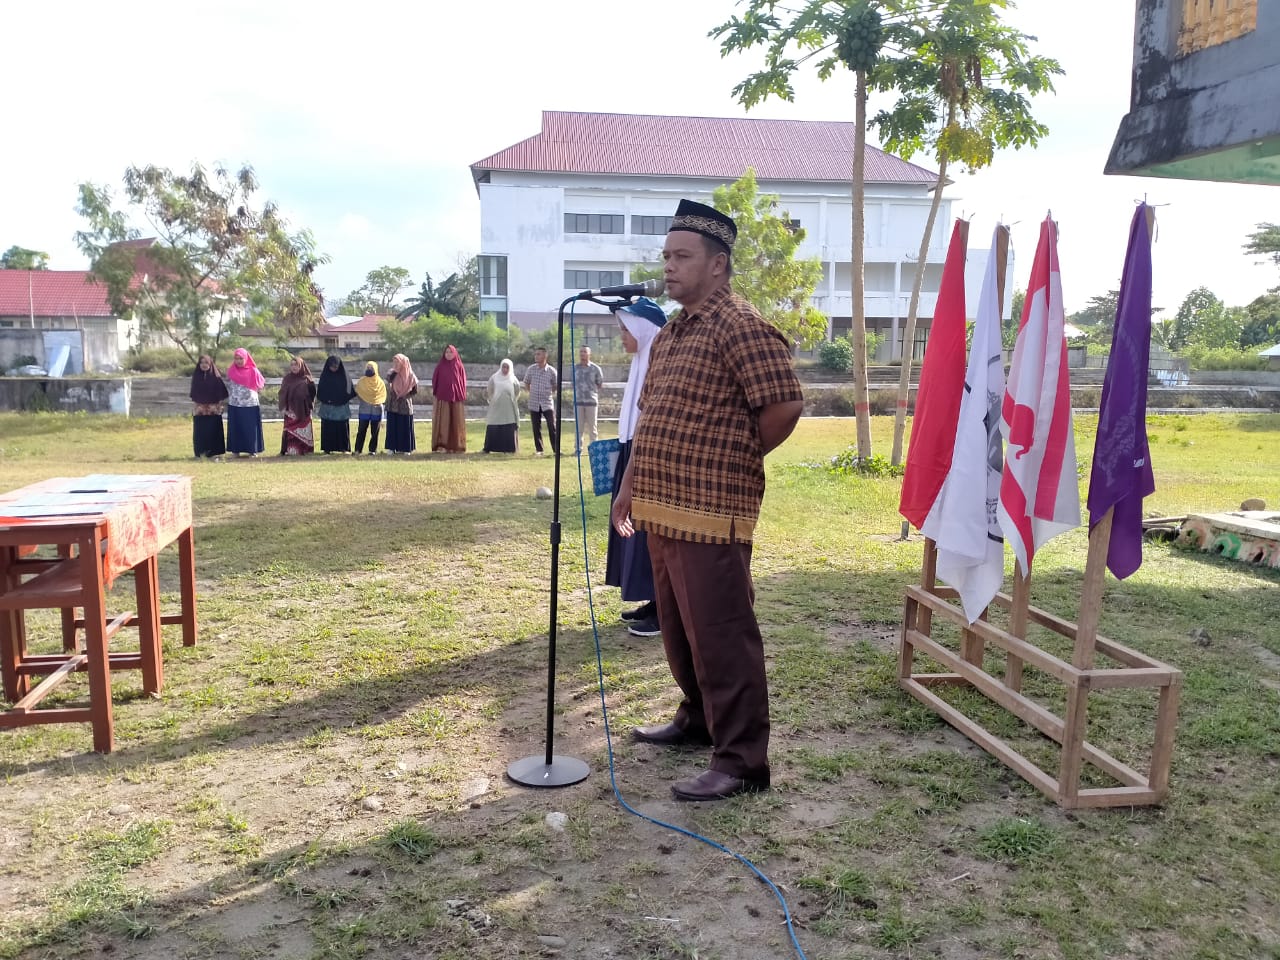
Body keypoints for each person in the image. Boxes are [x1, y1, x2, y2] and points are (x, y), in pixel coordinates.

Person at [611, 199, 804, 802]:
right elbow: (652, 416)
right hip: (661, 507)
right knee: (676, 626)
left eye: (682, 256)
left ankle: (743, 759)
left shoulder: (742, 326)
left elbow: (784, 405)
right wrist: (628, 486)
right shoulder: (670, 333)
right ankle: (697, 718)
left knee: (721, 631)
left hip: (711, 511)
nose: (669, 266)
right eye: (666, 255)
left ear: (718, 265)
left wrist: (732, 462)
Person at [604, 299, 666, 638]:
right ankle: (652, 601)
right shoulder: (640, 362)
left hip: (650, 457)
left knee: (649, 535)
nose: (622, 338)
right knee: (633, 532)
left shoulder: (660, 361)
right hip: (632, 450)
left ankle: (663, 609)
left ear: (643, 330)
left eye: (625, 330)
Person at [226, 347, 266, 457]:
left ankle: (252, 450)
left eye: (241, 358)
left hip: (250, 404)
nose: (238, 361)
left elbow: (261, 385)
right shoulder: (231, 370)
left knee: (250, 427)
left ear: (246, 358)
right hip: (235, 404)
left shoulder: (253, 370)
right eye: (236, 358)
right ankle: (235, 450)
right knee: (236, 427)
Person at [189, 354, 228, 459]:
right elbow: (194, 393)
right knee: (200, 431)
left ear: (210, 364)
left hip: (213, 408)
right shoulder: (196, 376)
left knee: (213, 430)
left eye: (206, 362)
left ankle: (215, 453)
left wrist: (219, 404)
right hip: (200, 409)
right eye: (202, 363)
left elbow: (221, 392)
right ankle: (200, 453)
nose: (204, 365)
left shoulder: (216, 377)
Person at [430, 344, 468, 453]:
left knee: (456, 422)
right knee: (443, 422)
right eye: (446, 352)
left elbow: (462, 382)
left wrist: (458, 392)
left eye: (450, 352)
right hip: (443, 398)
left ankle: (456, 445)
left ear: (455, 353)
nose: (448, 354)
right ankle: (442, 445)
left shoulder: (459, 366)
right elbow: (435, 380)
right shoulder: (440, 366)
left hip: (456, 399)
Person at [521, 346, 558, 456]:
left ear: (545, 356)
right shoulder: (531, 369)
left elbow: (555, 384)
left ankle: (556, 450)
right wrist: (531, 392)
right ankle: (539, 450)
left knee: (552, 426)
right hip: (534, 403)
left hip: (547, 403)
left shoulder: (551, 371)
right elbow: (526, 382)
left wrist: (549, 392)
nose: (536, 356)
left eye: (538, 354)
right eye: (535, 354)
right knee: (536, 427)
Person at [316, 355, 355, 454]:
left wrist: (341, 399)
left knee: (342, 428)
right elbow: (320, 391)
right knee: (328, 427)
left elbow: (350, 390)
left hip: (341, 408)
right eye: (331, 366)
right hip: (327, 407)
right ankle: (327, 448)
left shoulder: (344, 376)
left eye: (335, 367)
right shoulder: (325, 376)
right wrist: (328, 399)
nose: (333, 368)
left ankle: (344, 448)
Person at [278, 355, 317, 456]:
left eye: (296, 365)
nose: (294, 367)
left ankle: (306, 450)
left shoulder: (307, 380)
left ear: (301, 366)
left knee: (304, 432)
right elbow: (282, 393)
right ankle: (290, 450)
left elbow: (313, 394)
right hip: (290, 412)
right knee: (291, 435)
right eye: (292, 365)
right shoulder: (287, 379)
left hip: (304, 411)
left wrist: (307, 404)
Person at [482, 358, 521, 454]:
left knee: (509, 426)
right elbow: (490, 390)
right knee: (493, 425)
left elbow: (517, 391)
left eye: (507, 367)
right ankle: (489, 447)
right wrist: (494, 399)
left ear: (510, 368)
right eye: (503, 367)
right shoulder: (494, 378)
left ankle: (509, 448)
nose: (505, 369)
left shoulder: (513, 379)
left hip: (509, 408)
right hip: (496, 406)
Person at [572, 345, 604, 455]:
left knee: (592, 427)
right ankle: (578, 449)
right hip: (578, 402)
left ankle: (594, 449)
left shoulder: (595, 369)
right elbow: (573, 383)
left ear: (589, 354)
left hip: (591, 402)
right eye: (581, 352)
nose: (582, 354)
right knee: (578, 427)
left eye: (584, 352)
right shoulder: (575, 368)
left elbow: (599, 384)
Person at [385, 353, 418, 454]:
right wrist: (395, 371)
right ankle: (392, 448)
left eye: (398, 362)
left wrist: (404, 395)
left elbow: (415, 390)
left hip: (404, 405)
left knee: (404, 427)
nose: (395, 364)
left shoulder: (411, 375)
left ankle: (405, 448)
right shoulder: (392, 373)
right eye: (394, 362)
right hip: (393, 404)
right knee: (392, 426)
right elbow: (388, 379)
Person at [354, 361, 386, 455]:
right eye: (367, 368)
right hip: (364, 408)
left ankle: (372, 450)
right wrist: (366, 399)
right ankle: (358, 450)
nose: (369, 370)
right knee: (361, 430)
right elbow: (358, 392)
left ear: (375, 369)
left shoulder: (380, 382)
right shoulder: (361, 381)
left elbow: (382, 395)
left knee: (375, 431)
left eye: (371, 368)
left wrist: (374, 400)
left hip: (376, 409)